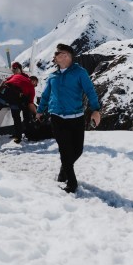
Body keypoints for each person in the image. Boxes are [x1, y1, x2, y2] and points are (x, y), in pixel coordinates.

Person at [36, 44, 100, 193]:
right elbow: (45, 95)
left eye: (57, 53)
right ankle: (72, 183)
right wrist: (40, 111)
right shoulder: (53, 76)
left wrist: (96, 110)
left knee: (77, 150)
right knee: (64, 150)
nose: (54, 56)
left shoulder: (80, 73)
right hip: (57, 117)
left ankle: (63, 170)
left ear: (66, 56)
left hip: (77, 117)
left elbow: (90, 91)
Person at [0, 62, 36, 143]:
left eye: (15, 68)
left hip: (5, 91)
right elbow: (31, 104)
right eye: (13, 69)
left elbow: (4, 82)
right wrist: (36, 114)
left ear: (20, 69)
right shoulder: (31, 86)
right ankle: (18, 137)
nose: (14, 70)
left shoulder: (15, 76)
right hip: (15, 96)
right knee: (16, 117)